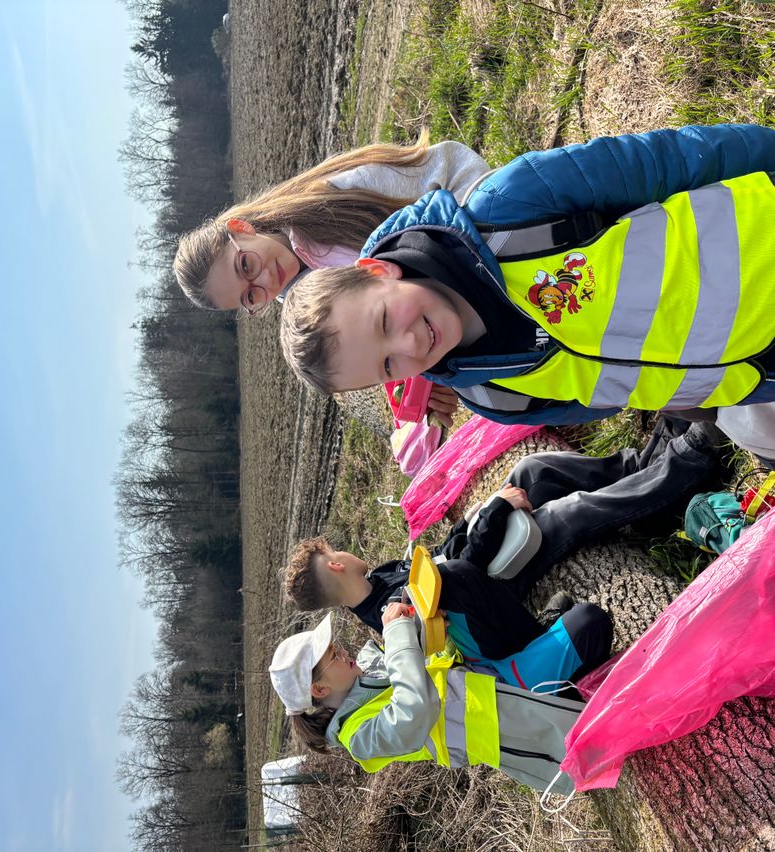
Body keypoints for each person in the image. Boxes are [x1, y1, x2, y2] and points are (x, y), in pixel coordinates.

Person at [279, 123, 775, 426]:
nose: (409, 346)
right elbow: (608, 399)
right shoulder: (494, 396)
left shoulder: (509, 208)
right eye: (388, 366)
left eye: (385, 322)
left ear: (376, 271)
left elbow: (667, 161)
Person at [284, 418, 721, 689]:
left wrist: (478, 514)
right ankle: (692, 459)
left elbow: (444, 553)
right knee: (568, 514)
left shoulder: (381, 578)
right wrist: (495, 511)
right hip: (498, 590)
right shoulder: (391, 611)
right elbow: (459, 575)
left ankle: (647, 465)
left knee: (533, 471)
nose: (344, 551)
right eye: (336, 551)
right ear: (336, 564)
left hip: (486, 569)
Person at [174, 133, 491, 426]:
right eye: (250, 296)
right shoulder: (312, 320)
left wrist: (487, 245)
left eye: (245, 265)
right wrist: (435, 372)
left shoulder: (336, 197)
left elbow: (452, 166)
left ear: (241, 229)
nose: (265, 280)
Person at [269, 607, 586, 793]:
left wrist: (418, 622)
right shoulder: (359, 738)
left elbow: (413, 663)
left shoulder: (366, 674)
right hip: (507, 728)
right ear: (319, 690)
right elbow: (415, 707)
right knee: (588, 736)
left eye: (335, 646)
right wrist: (397, 636)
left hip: (491, 684)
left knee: (583, 627)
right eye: (333, 656)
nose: (343, 652)